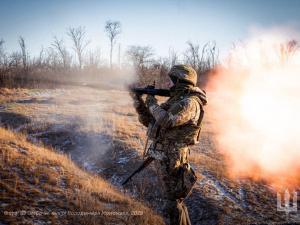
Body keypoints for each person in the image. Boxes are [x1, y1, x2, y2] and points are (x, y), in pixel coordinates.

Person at [130, 65, 207, 225]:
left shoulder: (189, 102)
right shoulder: (175, 101)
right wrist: (138, 102)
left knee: (172, 203)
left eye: (170, 80)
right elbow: (151, 122)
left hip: (173, 158)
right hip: (164, 156)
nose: (167, 83)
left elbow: (166, 120)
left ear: (180, 81)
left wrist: (151, 101)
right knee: (173, 202)